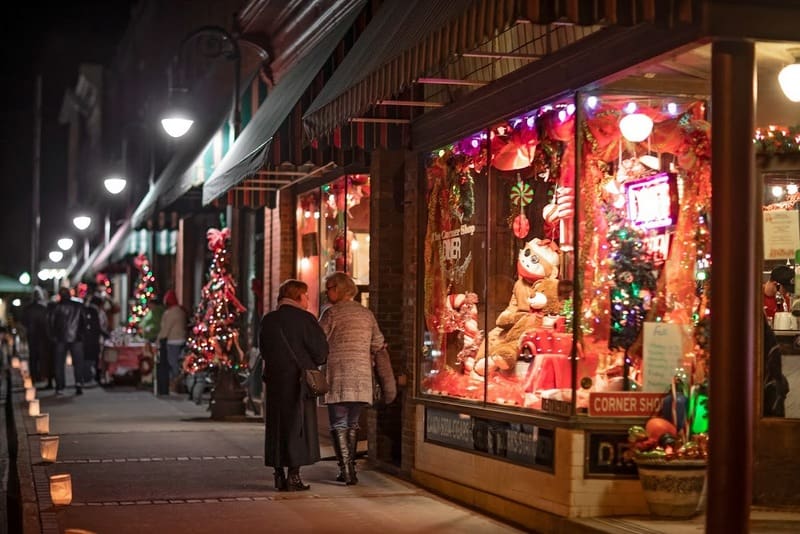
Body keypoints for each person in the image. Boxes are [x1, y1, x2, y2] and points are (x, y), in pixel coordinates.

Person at [259, 279, 328, 491]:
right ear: (298, 296)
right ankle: (293, 476)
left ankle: (278, 474)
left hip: (275, 380)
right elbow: (321, 353)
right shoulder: (306, 319)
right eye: (306, 295)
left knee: (276, 426)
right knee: (297, 427)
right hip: (299, 382)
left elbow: (263, 349)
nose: (308, 299)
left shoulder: (269, 320)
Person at [319, 272, 385, 485]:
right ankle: (351, 469)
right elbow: (378, 343)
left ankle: (346, 469)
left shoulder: (331, 314)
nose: (326, 292)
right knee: (353, 422)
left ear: (339, 289)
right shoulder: (367, 314)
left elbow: (318, 341)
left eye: (329, 288)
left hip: (338, 375)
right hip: (361, 377)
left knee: (338, 423)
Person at [48, 287, 87, 396]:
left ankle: (60, 386)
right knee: (78, 363)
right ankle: (78, 383)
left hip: (60, 338)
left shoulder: (55, 307)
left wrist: (53, 336)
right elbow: (84, 321)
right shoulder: (78, 306)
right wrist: (81, 334)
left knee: (59, 363)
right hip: (76, 338)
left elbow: (51, 323)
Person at [21, 287, 51, 387]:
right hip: (42, 336)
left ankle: (34, 376)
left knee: (33, 357)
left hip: (32, 336)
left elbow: (24, 322)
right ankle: (41, 375)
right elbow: (47, 323)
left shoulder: (27, 309)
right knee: (42, 357)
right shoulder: (44, 309)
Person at [157, 290, 187, 389]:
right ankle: (179, 381)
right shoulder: (181, 311)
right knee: (179, 362)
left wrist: (159, 339)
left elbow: (166, 329)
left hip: (173, 340)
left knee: (172, 363)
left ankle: (175, 382)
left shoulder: (170, 313)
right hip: (182, 339)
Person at [83, 296, 109, 385]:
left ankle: (90, 376)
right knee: (92, 358)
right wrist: (106, 335)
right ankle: (91, 377)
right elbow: (98, 326)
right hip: (93, 338)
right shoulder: (94, 311)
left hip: (89, 338)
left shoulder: (86, 309)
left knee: (89, 357)